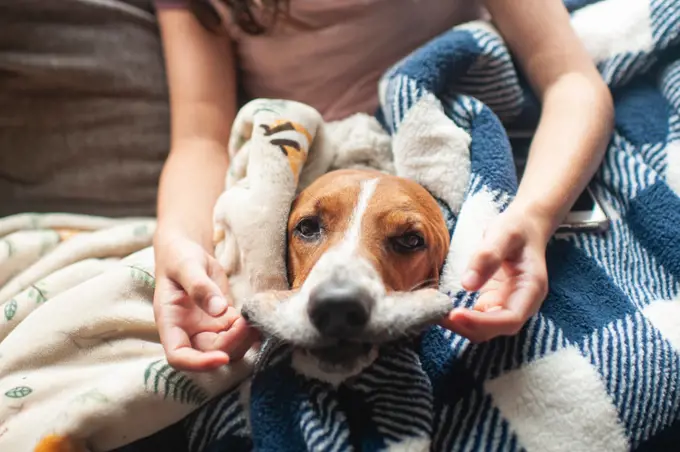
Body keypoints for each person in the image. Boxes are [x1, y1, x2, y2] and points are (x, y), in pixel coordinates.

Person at [152, 0, 614, 371]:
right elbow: (199, 139)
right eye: (310, 229)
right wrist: (178, 243)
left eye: (407, 239)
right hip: (300, 164)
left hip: (449, 143)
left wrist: (533, 216)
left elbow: (570, 80)